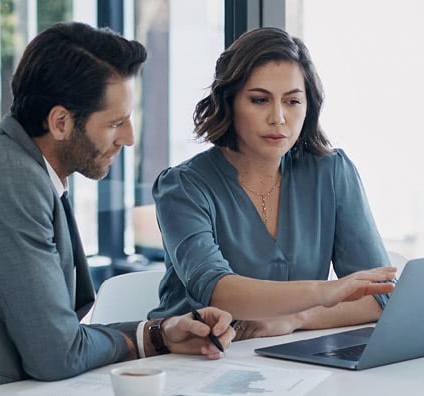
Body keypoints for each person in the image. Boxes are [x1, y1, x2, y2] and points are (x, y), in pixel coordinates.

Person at [0, 22, 234, 396]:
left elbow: (60, 340)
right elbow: (57, 353)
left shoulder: (23, 167)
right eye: (115, 122)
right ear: (60, 122)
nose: (129, 138)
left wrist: (158, 334)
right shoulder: (8, 178)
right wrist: (149, 341)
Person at [148, 27, 396, 340]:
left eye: (292, 101)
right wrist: (327, 292)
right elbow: (217, 290)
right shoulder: (183, 187)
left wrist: (297, 318)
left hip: (290, 362)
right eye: (259, 100)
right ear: (229, 102)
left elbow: (380, 296)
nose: (278, 118)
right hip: (194, 360)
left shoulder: (331, 172)